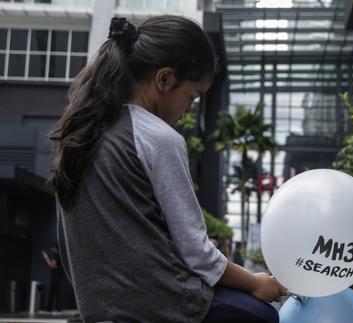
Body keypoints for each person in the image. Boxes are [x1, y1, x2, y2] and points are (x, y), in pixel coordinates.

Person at [48, 16, 287, 323]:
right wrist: (255, 282)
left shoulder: (79, 133)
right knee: (262, 315)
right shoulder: (158, 137)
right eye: (191, 97)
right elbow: (197, 252)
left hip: (97, 308)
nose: (189, 109)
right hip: (165, 305)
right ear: (164, 79)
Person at [41, 242, 64, 311]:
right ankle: (54, 308)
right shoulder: (59, 255)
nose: (51, 249)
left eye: (52, 248)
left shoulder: (57, 255)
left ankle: (52, 309)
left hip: (56, 276)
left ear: (54, 248)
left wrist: (46, 258)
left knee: (53, 292)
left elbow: (52, 265)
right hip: (57, 276)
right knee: (54, 292)